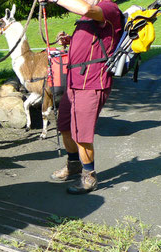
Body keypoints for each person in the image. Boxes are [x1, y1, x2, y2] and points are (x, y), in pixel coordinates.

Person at [48, 0, 123, 194]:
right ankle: (74, 165)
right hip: (74, 82)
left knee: (82, 133)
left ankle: (89, 176)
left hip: (91, 83)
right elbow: (94, 41)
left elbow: (87, 8)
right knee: (64, 125)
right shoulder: (87, 16)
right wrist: (71, 41)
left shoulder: (108, 8)